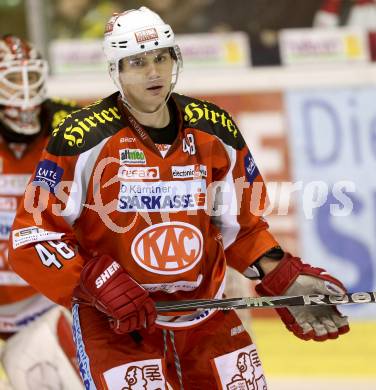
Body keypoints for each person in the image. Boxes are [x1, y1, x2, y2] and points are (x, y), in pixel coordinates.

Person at [8, 7, 349, 389]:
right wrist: (93, 281)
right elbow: (32, 236)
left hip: (208, 320)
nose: (152, 71)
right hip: (118, 326)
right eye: (136, 62)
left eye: (161, 57)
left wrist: (283, 275)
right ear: (115, 71)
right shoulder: (80, 138)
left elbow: (243, 225)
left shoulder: (215, 129)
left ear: (175, 60)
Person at [0, 34, 80, 337]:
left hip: (48, 300)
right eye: (11, 81)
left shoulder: (70, 123)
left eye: (29, 77)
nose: (23, 92)